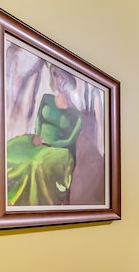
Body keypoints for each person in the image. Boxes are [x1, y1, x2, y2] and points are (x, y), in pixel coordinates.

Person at [6, 64, 83, 206]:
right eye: (55, 77)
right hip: (37, 141)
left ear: (68, 81)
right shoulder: (46, 99)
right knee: (8, 150)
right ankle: (7, 197)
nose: (58, 81)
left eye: (61, 77)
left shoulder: (76, 114)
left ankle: (29, 203)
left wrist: (49, 142)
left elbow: (70, 140)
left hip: (59, 150)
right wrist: (37, 135)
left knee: (36, 163)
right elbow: (39, 120)